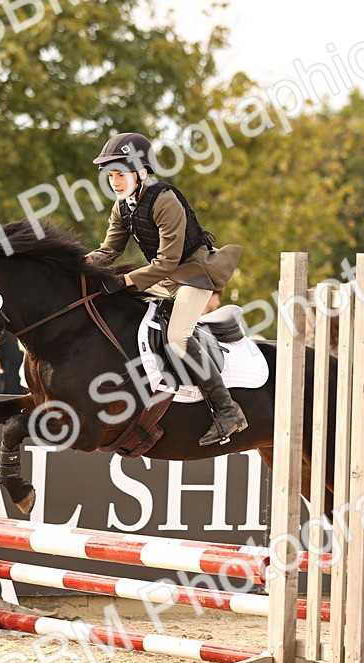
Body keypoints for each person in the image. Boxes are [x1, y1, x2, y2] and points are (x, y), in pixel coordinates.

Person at [85, 131, 246, 446]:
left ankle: (228, 410)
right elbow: (107, 252)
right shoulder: (123, 208)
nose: (114, 181)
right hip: (166, 277)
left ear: (140, 171)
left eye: (120, 174)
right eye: (110, 175)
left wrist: (123, 281)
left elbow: (167, 262)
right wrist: (71, 265)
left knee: (176, 337)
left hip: (195, 274)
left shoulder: (164, 200)